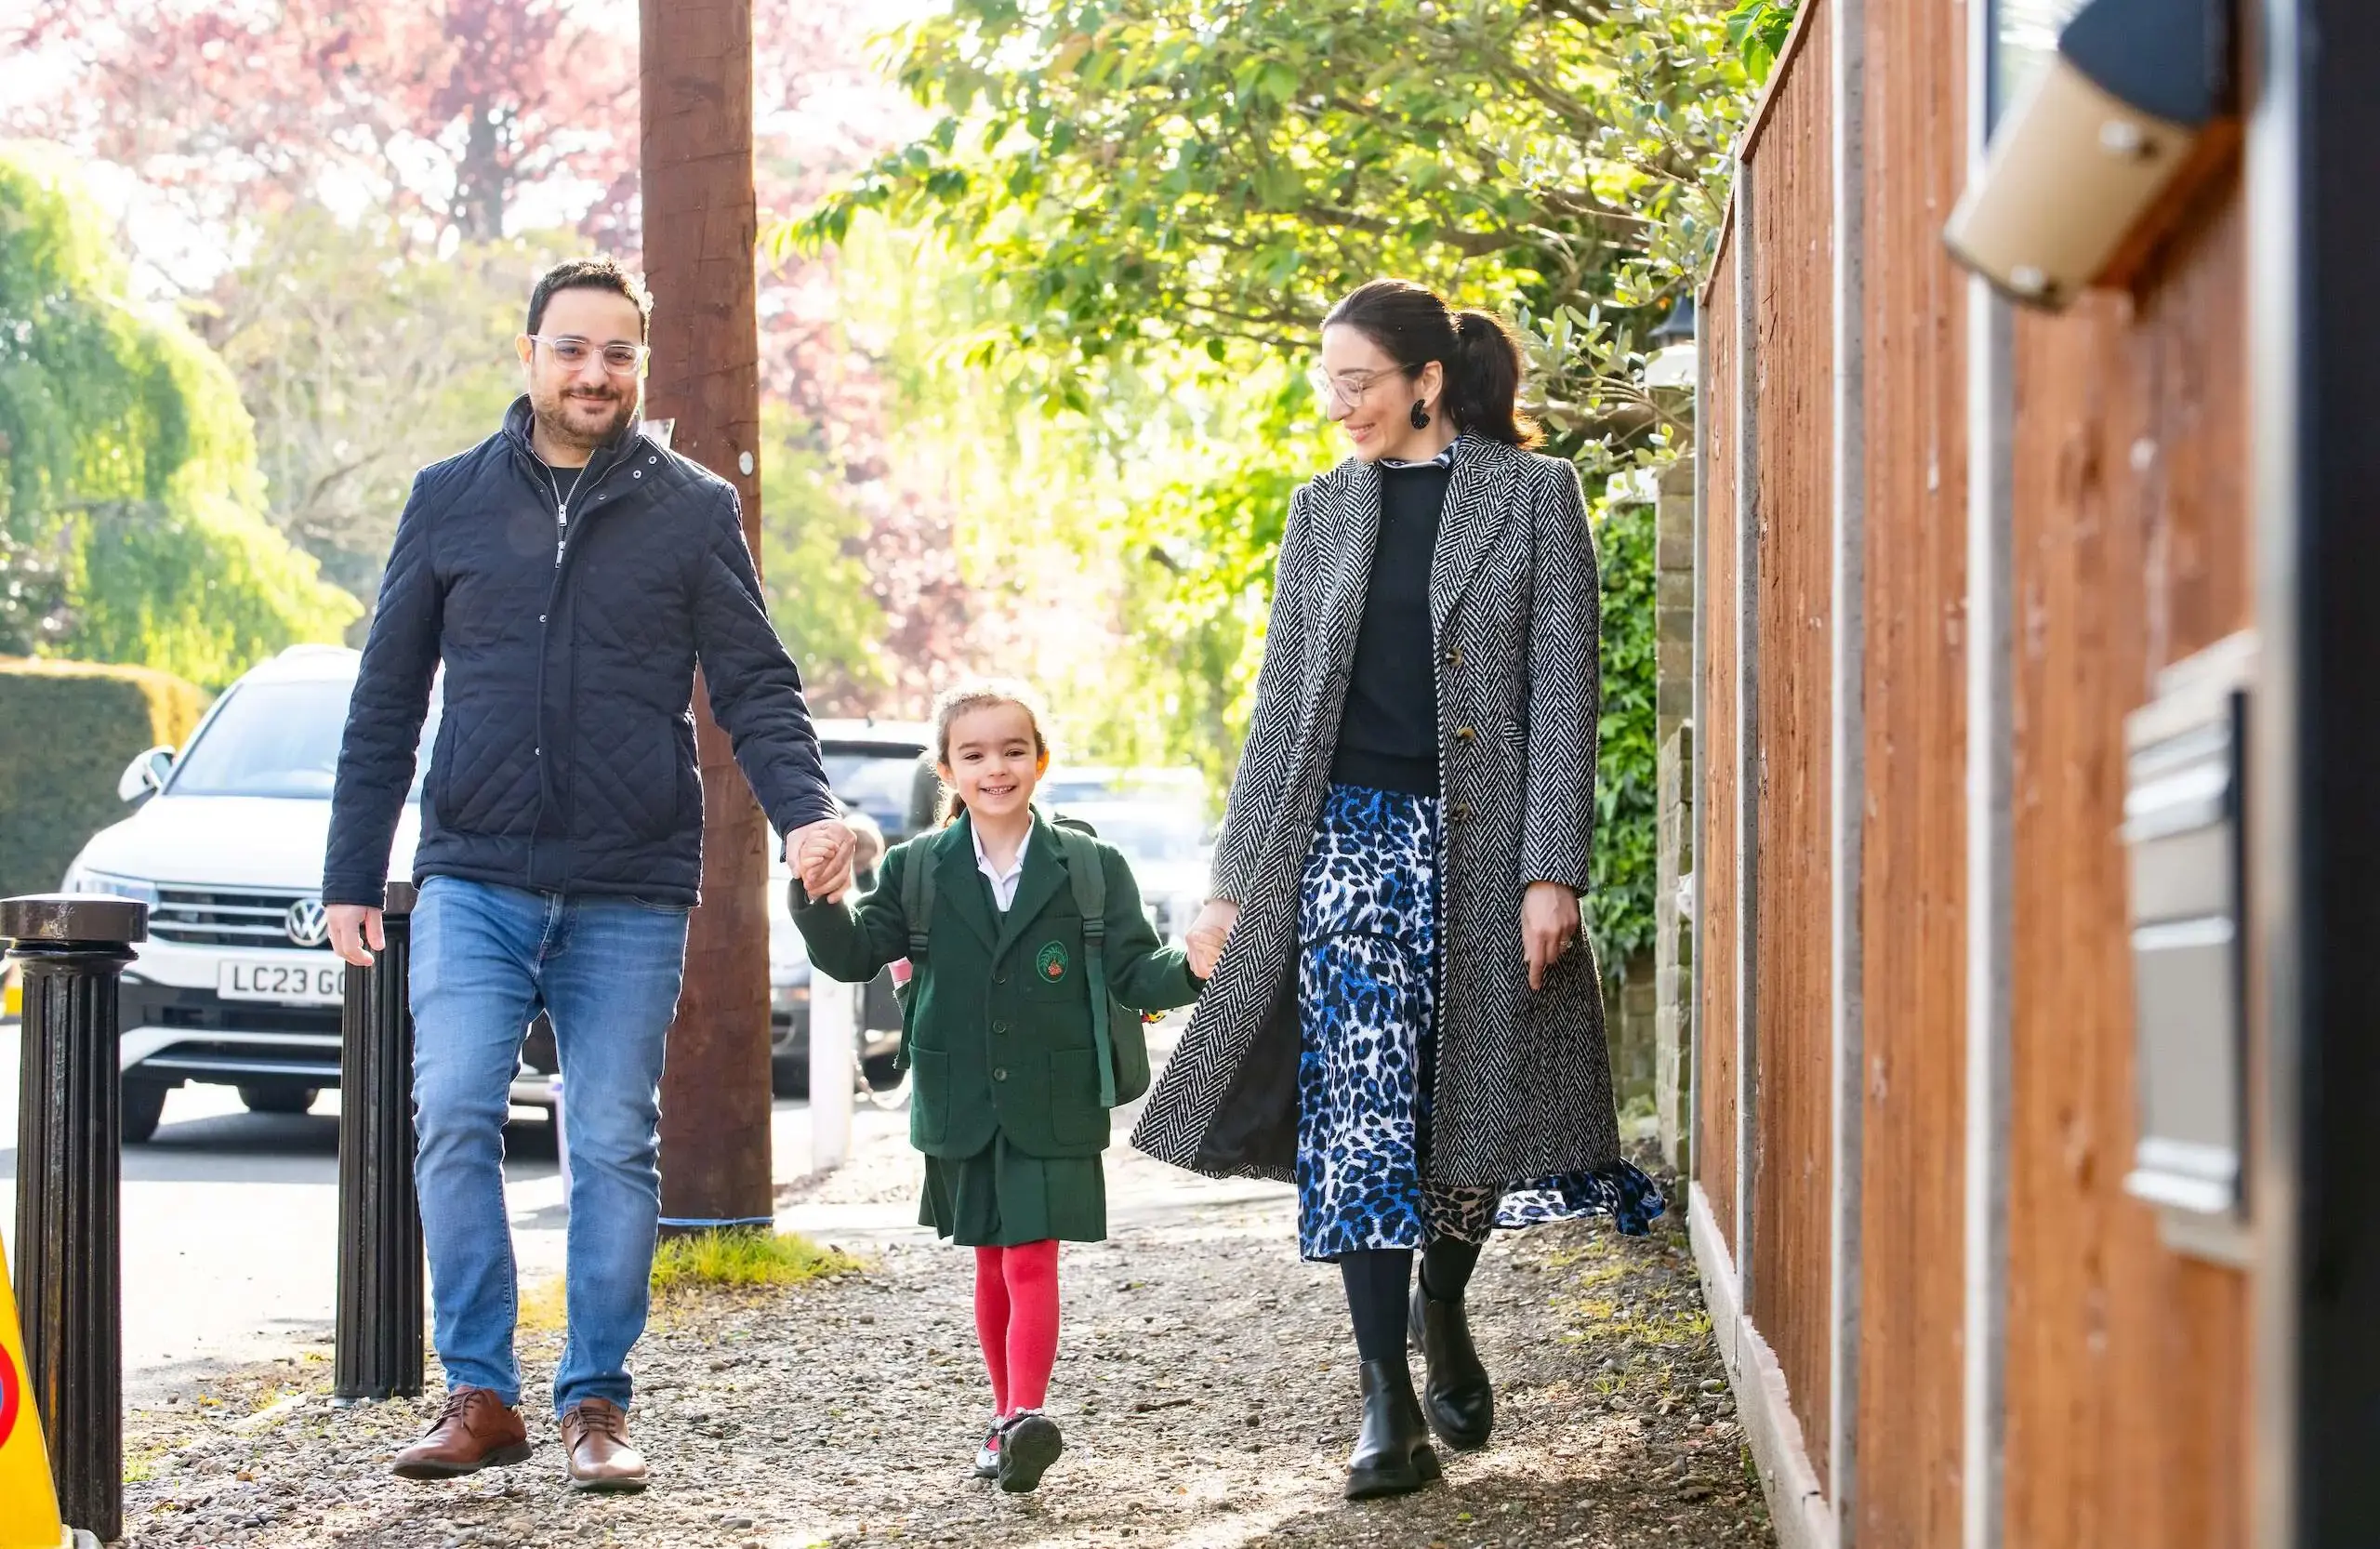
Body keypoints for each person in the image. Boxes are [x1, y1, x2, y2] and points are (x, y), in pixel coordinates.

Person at [321, 256, 855, 1492]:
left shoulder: (692, 510)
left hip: (629, 881)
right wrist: (353, 871)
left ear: (639, 365)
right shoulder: (448, 499)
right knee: (456, 1112)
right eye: (571, 349)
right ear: (530, 356)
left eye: (617, 352)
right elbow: (386, 697)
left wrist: (807, 811)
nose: (594, 372)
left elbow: (755, 681)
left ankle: (597, 1399)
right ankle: (480, 1392)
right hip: (474, 873)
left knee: (611, 1138)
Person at [1131, 278, 1663, 1501]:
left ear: (1426, 380)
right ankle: (1384, 1396)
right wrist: (1232, 886)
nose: (1340, 404)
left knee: (1470, 1102)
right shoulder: (1320, 511)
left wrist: (1551, 871)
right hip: (1348, 847)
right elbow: (1280, 712)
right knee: (1360, 1109)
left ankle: (1445, 1299)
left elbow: (1562, 697)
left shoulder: (1534, 497)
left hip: (1484, 850)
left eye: (1358, 381)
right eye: (1328, 383)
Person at [790, 681, 1212, 1493]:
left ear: (1040, 761)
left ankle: (1024, 1416)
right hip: (962, 1099)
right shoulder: (916, 869)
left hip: (1057, 1099)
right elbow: (851, 955)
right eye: (975, 754)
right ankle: (1003, 1420)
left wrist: (1192, 966)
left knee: (1032, 1258)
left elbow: (1135, 973)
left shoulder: (1092, 867)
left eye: (1014, 751)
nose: (996, 768)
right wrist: (816, 897)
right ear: (947, 770)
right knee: (990, 1260)